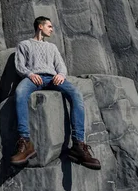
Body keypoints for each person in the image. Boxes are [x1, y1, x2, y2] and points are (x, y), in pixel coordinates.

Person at [10, 16, 101, 170]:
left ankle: (78, 144)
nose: (52, 29)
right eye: (49, 26)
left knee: (76, 94)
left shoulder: (52, 47)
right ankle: (25, 142)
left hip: (53, 79)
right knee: (19, 93)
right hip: (33, 78)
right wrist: (30, 74)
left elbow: (61, 66)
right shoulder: (24, 44)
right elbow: (20, 66)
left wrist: (60, 75)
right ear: (40, 26)